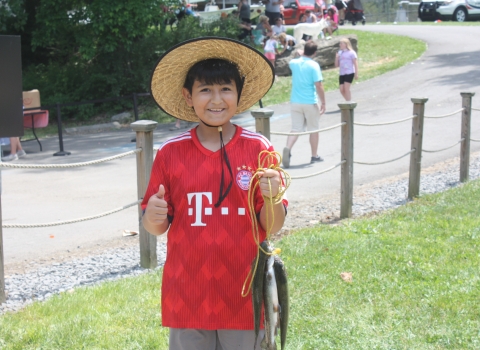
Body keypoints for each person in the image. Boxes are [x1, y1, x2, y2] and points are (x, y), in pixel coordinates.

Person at [142, 38, 287, 350]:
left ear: (239, 94)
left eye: (225, 89)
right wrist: (152, 218)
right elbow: (156, 226)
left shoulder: (259, 149)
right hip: (187, 296)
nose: (216, 99)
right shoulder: (170, 153)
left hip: (246, 294)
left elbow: (272, 225)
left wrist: (273, 197)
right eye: (205, 90)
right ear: (188, 96)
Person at [283, 41, 326, 168]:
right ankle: (314, 155)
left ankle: (288, 147)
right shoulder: (314, 65)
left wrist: (299, 55)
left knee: (295, 128)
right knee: (313, 129)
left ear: (304, 50)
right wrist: (323, 101)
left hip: (295, 101)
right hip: (309, 101)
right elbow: (318, 85)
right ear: (314, 52)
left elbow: (293, 60)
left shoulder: (294, 63)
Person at [335, 37, 358, 101]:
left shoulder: (351, 52)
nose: (340, 45)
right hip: (342, 73)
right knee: (341, 89)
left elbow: (355, 64)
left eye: (341, 43)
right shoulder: (340, 52)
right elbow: (336, 65)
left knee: (346, 88)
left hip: (349, 72)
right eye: (340, 43)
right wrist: (337, 58)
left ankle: (348, 103)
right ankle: (348, 100)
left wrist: (356, 74)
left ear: (346, 44)